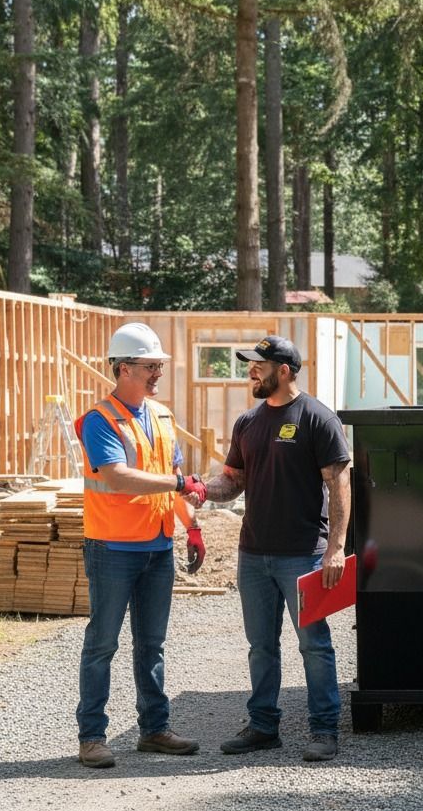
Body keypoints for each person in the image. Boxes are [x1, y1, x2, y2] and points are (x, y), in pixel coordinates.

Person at [190, 335, 351, 762]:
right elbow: (233, 480)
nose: (251, 371)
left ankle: (324, 729)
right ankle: (263, 726)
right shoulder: (248, 422)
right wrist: (203, 490)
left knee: (313, 644)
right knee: (261, 645)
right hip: (254, 553)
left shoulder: (318, 418)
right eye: (250, 364)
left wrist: (336, 549)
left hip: (304, 554)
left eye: (258, 365)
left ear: (284, 370)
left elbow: (339, 485)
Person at [74, 322, 208, 769]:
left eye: (159, 366)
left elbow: (176, 489)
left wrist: (191, 527)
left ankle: (154, 729)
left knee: (152, 643)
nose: (157, 374)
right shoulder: (100, 420)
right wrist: (177, 481)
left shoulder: (163, 417)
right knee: (102, 644)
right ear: (123, 368)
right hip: (111, 548)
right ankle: (92, 737)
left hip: (156, 546)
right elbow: (116, 476)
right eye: (150, 366)